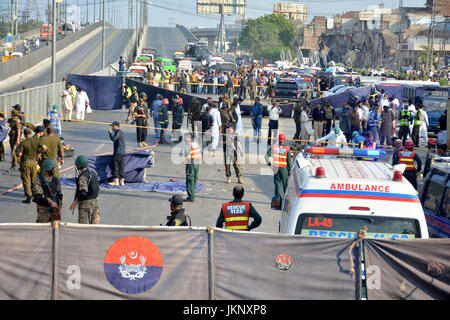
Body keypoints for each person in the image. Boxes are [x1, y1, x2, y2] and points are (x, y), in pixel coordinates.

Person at [17, 128, 46, 203]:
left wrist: (17, 153)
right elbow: (44, 148)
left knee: (26, 179)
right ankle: (35, 193)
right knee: (34, 179)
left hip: (25, 162)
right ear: (30, 134)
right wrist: (39, 153)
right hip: (34, 162)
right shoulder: (36, 141)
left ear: (24, 134)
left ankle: (28, 196)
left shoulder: (23, 143)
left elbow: (20, 154)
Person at [69, 155, 100, 224]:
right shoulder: (93, 173)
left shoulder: (82, 177)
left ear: (79, 166)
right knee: (95, 225)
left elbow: (83, 193)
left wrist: (75, 202)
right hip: (95, 203)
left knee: (83, 227)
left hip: (85, 205)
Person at [265, 133, 293, 209]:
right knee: (285, 186)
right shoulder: (287, 148)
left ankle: (277, 203)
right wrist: (290, 170)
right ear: (284, 140)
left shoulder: (274, 147)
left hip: (276, 169)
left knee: (277, 185)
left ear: (278, 140)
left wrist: (269, 164)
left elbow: (266, 156)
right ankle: (287, 202)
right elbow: (289, 161)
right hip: (284, 169)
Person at [183, 134, 201, 202]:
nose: (185, 139)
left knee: (190, 178)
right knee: (194, 178)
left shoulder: (188, 145)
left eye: (186, 138)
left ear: (189, 138)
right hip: (197, 162)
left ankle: (191, 196)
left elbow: (187, 156)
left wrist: (186, 162)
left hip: (192, 162)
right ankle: (192, 194)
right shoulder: (195, 143)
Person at [108, 121, 125, 186]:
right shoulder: (119, 132)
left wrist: (110, 133)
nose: (112, 127)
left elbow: (114, 139)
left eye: (113, 126)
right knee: (121, 167)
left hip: (118, 152)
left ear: (116, 126)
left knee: (116, 166)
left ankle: (116, 181)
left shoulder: (118, 132)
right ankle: (121, 181)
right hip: (121, 152)